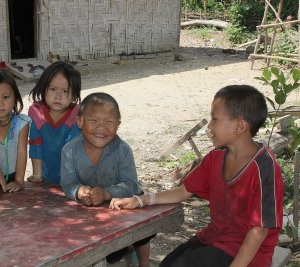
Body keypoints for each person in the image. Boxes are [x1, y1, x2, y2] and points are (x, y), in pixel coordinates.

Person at [110, 85, 284, 267]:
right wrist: (140, 200)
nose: (209, 126)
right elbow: (184, 191)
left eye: (215, 119)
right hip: (215, 239)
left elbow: (259, 230)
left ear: (240, 126)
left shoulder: (264, 167)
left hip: (248, 255)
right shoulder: (215, 158)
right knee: (169, 263)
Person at [60, 92, 153, 267]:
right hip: (91, 214)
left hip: (123, 208)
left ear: (118, 125)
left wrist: (106, 193)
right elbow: (68, 182)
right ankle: (123, 251)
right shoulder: (69, 151)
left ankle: (144, 262)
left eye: (109, 122)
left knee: (142, 233)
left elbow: (131, 185)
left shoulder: (123, 150)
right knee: (104, 253)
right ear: (80, 122)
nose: (101, 127)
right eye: (94, 121)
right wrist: (78, 191)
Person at [27, 61, 81, 184]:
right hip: (47, 178)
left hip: (74, 178)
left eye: (65, 91)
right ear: (43, 88)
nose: (58, 96)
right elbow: (36, 144)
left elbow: (72, 149)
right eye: (52, 89)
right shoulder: (36, 112)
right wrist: (37, 174)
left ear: (74, 95)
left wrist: (71, 182)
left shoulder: (77, 114)